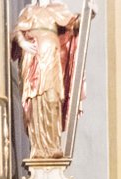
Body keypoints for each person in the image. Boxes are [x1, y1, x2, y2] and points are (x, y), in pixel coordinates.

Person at [11, 0, 82, 159]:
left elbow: (75, 24)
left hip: (52, 60)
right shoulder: (28, 11)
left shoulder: (58, 9)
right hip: (33, 62)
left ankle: (53, 146)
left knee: (52, 99)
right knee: (36, 102)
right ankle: (39, 148)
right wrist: (23, 42)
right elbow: (16, 31)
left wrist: (88, 14)